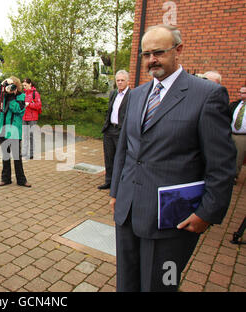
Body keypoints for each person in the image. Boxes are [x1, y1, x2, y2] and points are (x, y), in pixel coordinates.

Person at [109, 25, 236, 292]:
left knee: (160, 285)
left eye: (158, 52)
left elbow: (222, 164)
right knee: (127, 283)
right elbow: (126, 147)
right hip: (128, 211)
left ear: (178, 50)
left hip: (171, 220)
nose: (151, 60)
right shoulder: (137, 94)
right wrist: (116, 191)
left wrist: (206, 213)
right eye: (146, 54)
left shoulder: (207, 95)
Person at [0, 76, 31, 187]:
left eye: (13, 85)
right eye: (10, 85)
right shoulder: (3, 95)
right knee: (5, 155)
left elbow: (18, 109)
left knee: (16, 156)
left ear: (17, 87)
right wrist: (2, 85)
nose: (11, 87)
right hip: (2, 128)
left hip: (13, 130)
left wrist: (12, 97)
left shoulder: (21, 96)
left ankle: (21, 180)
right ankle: (6, 179)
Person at [98, 70, 130, 190]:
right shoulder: (113, 93)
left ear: (127, 81)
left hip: (121, 131)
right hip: (110, 129)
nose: (120, 82)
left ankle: (119, 184)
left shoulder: (131, 95)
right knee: (108, 157)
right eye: (118, 80)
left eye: (122, 80)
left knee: (120, 158)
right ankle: (109, 181)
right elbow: (110, 111)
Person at [21, 78, 42, 160]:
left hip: (32, 118)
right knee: (25, 136)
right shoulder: (23, 94)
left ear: (30, 84)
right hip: (24, 117)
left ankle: (31, 153)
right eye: (23, 85)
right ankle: (24, 153)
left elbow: (38, 105)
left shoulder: (35, 94)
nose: (24, 87)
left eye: (25, 85)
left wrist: (29, 104)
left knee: (31, 136)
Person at [229, 86, 246, 183]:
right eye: (240, 92)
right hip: (231, 133)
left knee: (238, 156)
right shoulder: (235, 105)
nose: (241, 94)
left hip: (242, 136)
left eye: (243, 93)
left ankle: (234, 175)